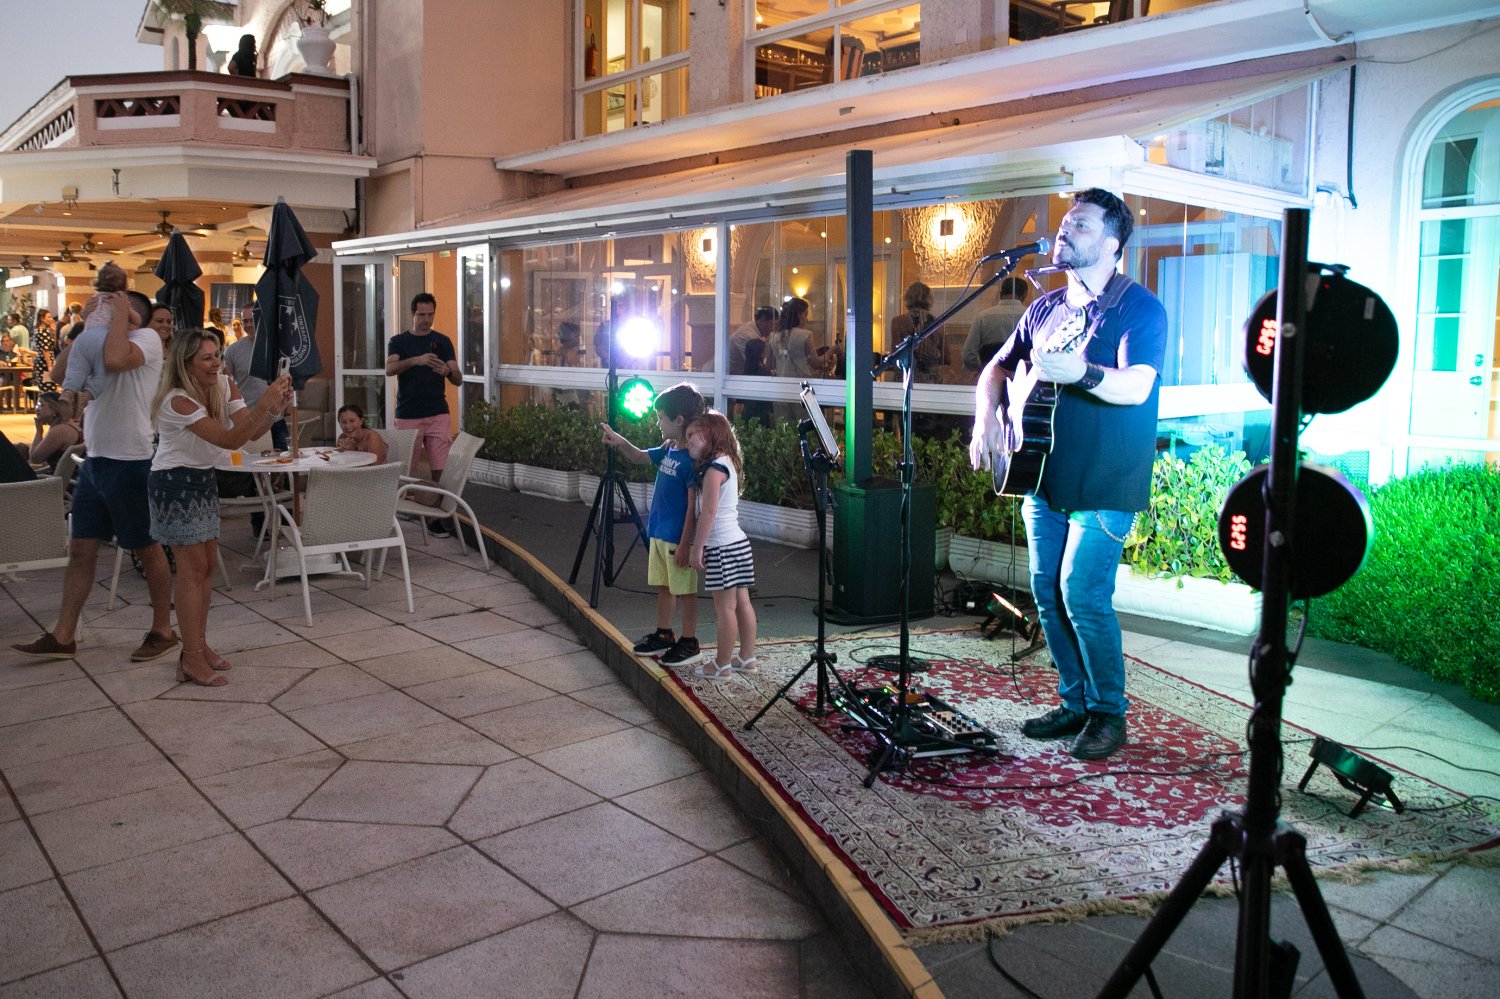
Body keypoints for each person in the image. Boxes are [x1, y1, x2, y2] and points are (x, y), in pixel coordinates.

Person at [969, 188, 1167, 762]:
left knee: (1082, 593)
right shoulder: (1045, 307)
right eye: (1066, 222)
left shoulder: (1137, 308)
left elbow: (1137, 387)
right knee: (1046, 592)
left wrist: (1081, 372)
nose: (1065, 230)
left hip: (1106, 480)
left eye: (1081, 224)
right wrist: (986, 416)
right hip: (1042, 475)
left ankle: (1109, 713)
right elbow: (996, 367)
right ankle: (1074, 701)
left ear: (1112, 243)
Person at [13, 291, 181, 664]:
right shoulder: (98, 339)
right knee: (81, 548)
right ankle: (63, 635)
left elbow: (116, 359)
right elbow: (59, 375)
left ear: (131, 315)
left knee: (146, 546)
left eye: (110, 307)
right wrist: (85, 329)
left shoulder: (146, 339)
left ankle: (163, 631)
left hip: (131, 460)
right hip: (96, 459)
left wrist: (117, 314)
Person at [149, 329, 291, 686]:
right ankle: (191, 656)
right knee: (192, 569)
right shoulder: (178, 401)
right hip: (173, 482)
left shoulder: (225, 385)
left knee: (208, 566)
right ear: (186, 364)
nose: (216, 363)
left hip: (201, 478)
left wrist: (273, 409)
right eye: (207, 358)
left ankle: (198, 646)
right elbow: (229, 440)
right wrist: (264, 403)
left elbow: (248, 431)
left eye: (217, 355)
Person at [599, 382, 706, 667]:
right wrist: (619, 441)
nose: (658, 423)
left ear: (678, 421)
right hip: (659, 532)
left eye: (661, 418)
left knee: (685, 590)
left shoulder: (690, 461)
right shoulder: (668, 449)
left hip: (676, 538)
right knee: (664, 586)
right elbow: (638, 456)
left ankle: (690, 642)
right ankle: (664, 634)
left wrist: (685, 543)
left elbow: (693, 509)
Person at [684, 411, 758, 680]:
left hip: (721, 547)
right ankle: (747, 658)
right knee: (742, 603)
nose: (689, 441)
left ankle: (722, 665)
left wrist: (697, 547)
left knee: (724, 608)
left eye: (693, 435)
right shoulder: (727, 462)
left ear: (711, 435)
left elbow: (709, 512)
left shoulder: (714, 469)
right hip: (738, 544)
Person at [386, 292, 461, 535]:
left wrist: (447, 372)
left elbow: (458, 378)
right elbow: (389, 369)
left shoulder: (443, 341)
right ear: (413, 314)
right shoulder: (399, 341)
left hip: (437, 412)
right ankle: (393, 515)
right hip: (408, 413)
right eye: (421, 315)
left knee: (440, 468)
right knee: (403, 468)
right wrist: (415, 361)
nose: (426, 320)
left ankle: (436, 518)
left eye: (430, 315)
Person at [57, 260, 131, 419]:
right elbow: (135, 319)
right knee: (103, 372)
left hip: (84, 337)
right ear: (124, 284)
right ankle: (87, 395)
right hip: (103, 339)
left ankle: (67, 392)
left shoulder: (93, 299)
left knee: (76, 368)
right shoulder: (120, 299)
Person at [222, 304, 288, 451]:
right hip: (250, 419)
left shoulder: (277, 347)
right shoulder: (232, 351)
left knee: (284, 462)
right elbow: (224, 383)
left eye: (253, 320)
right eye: (245, 321)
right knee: (251, 463)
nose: (249, 325)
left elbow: (287, 376)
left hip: (276, 418)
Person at [962, 277, 1030, 371]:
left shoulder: (983, 317)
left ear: (1001, 294)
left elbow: (968, 354)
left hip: (991, 374)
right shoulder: (1031, 316)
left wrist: (982, 370)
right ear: (1024, 295)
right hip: (1023, 375)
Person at [889, 281, 944, 380]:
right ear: (929, 299)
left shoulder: (898, 322)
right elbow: (946, 357)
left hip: (906, 377)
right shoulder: (937, 322)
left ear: (907, 298)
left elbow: (895, 355)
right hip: (930, 380)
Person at [15, 392, 82, 472]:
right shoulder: (68, 425)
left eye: (40, 405)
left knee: (18, 450)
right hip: (70, 474)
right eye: (36, 405)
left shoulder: (59, 431)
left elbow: (35, 458)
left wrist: (39, 432)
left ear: (53, 409)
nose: (36, 409)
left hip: (63, 478)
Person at [769, 297, 832, 380]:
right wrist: (832, 351)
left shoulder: (774, 337)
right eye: (805, 315)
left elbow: (769, 365)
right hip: (802, 382)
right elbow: (815, 363)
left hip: (782, 382)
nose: (807, 319)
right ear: (799, 315)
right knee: (810, 391)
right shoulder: (805, 335)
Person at [31, 309, 58, 392]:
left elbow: (52, 345)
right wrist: (49, 366)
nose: (51, 319)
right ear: (42, 318)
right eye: (48, 317)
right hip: (45, 363)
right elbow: (45, 350)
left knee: (47, 386)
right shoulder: (43, 331)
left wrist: (53, 331)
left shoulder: (39, 330)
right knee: (48, 387)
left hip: (43, 361)